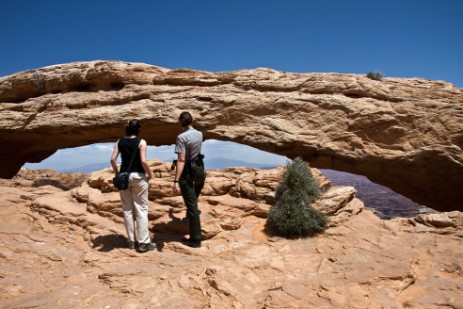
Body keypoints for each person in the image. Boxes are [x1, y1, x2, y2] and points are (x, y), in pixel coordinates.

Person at [110, 120, 156, 253]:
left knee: (127, 210)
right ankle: (143, 243)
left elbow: (112, 159)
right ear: (139, 129)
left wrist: (117, 174)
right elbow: (143, 161)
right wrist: (150, 175)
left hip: (124, 176)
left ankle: (131, 241)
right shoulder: (142, 142)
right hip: (138, 177)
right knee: (141, 210)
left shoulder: (119, 142)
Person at [172, 111, 206, 248]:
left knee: (191, 204)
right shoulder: (200, 134)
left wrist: (176, 181)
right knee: (194, 195)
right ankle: (191, 214)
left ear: (181, 123)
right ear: (192, 121)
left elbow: (181, 159)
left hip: (187, 169)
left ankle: (195, 238)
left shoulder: (181, 137)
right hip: (199, 168)